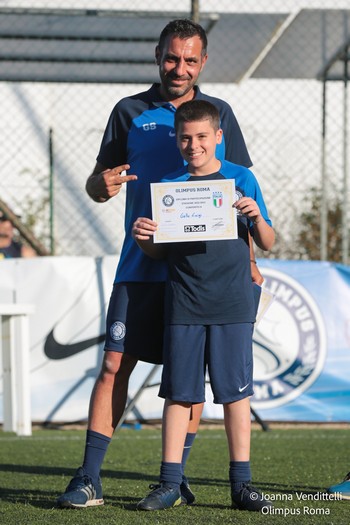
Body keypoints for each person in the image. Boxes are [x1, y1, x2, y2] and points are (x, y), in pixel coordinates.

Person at [56, 18, 263, 509]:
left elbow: (235, 190)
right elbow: (97, 181)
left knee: (184, 377)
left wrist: (250, 260)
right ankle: (88, 477)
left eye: (190, 59)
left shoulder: (219, 114)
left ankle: (175, 478)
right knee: (113, 363)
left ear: (203, 62)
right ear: (157, 55)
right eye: (172, 57)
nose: (180, 67)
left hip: (197, 273)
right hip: (140, 264)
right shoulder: (129, 112)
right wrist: (98, 187)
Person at [133, 99, 275, 512]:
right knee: (179, 394)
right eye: (184, 138)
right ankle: (169, 482)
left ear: (218, 137)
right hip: (184, 304)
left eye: (200, 137)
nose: (192, 145)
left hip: (232, 302)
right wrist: (145, 237)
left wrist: (256, 217)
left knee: (235, 395)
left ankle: (242, 486)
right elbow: (159, 253)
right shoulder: (168, 184)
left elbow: (267, 241)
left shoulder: (240, 178)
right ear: (177, 140)